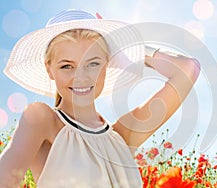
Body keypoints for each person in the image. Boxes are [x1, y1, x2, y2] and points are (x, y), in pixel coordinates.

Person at [0, 9, 200, 187]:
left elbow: (187, 69)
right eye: (66, 66)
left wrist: (130, 49)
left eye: (93, 64)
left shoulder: (122, 137)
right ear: (49, 69)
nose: (81, 77)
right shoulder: (42, 119)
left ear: (107, 64)